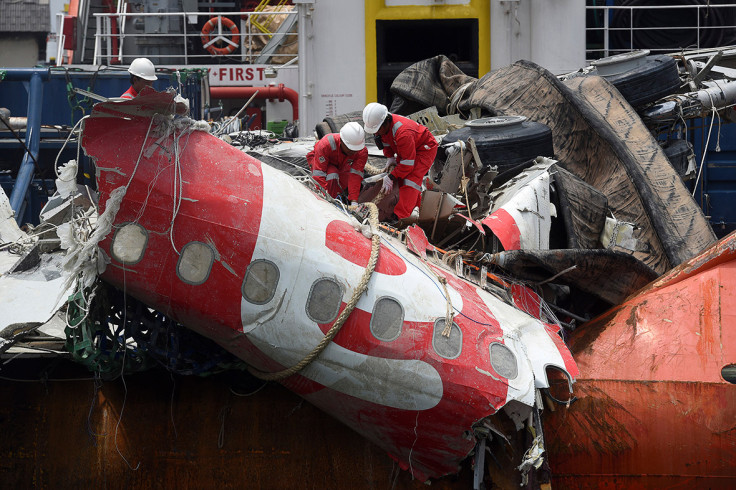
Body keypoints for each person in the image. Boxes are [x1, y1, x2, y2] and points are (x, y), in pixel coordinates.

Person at [362, 102, 438, 222]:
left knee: (410, 181)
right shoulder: (384, 128)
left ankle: (402, 219)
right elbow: (386, 142)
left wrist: (391, 177)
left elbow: (407, 165)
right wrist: (390, 157)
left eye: (377, 130)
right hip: (410, 147)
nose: (376, 133)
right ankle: (417, 208)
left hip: (424, 149)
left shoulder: (403, 133)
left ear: (385, 122)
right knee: (401, 178)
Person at [306, 122, 368, 206]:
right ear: (342, 141)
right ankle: (331, 202)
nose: (353, 152)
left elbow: (356, 175)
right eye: (350, 149)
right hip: (321, 163)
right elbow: (319, 174)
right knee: (332, 173)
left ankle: (338, 198)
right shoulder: (326, 144)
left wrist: (354, 201)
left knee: (345, 178)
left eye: (355, 150)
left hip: (341, 164)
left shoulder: (361, 151)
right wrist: (323, 199)